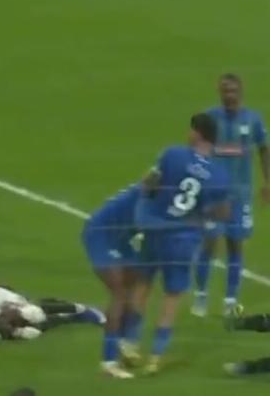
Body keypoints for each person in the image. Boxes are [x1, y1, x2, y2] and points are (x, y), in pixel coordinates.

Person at [120, 113, 231, 375]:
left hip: (155, 230)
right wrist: (202, 216)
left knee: (144, 284)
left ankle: (130, 343)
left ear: (197, 133)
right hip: (183, 239)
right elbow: (223, 213)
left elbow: (149, 183)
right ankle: (156, 356)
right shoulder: (220, 175)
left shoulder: (173, 154)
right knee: (172, 296)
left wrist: (147, 200)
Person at [193, 74, 269, 317]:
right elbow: (196, 149)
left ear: (241, 92)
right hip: (214, 195)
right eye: (226, 91)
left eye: (233, 91)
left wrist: (267, 181)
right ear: (220, 93)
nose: (230, 96)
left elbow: (264, 149)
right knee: (209, 242)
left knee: (235, 245)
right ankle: (201, 295)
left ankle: (230, 300)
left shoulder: (253, 120)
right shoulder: (210, 118)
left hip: (241, 195)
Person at [80, 185, 142, 378]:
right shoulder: (154, 190)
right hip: (101, 233)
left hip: (122, 236)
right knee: (119, 294)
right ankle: (109, 362)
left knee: (135, 285)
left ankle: (124, 344)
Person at [0, 279, 105, 342]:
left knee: (34, 313)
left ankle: (76, 309)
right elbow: (0, 333)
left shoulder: (3, 296)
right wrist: (18, 333)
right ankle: (72, 314)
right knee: (34, 323)